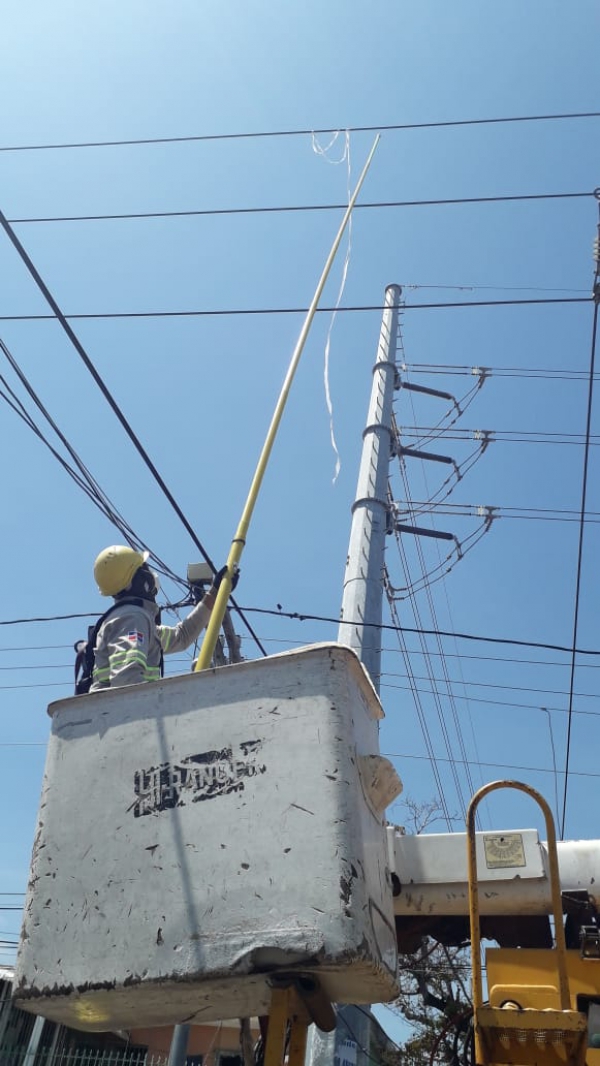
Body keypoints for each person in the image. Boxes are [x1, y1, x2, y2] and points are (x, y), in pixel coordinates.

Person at [89, 545, 235, 691]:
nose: (150, 574)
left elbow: (182, 636)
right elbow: (127, 682)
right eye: (144, 568)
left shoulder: (137, 622)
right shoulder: (132, 619)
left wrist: (215, 593)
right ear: (138, 580)